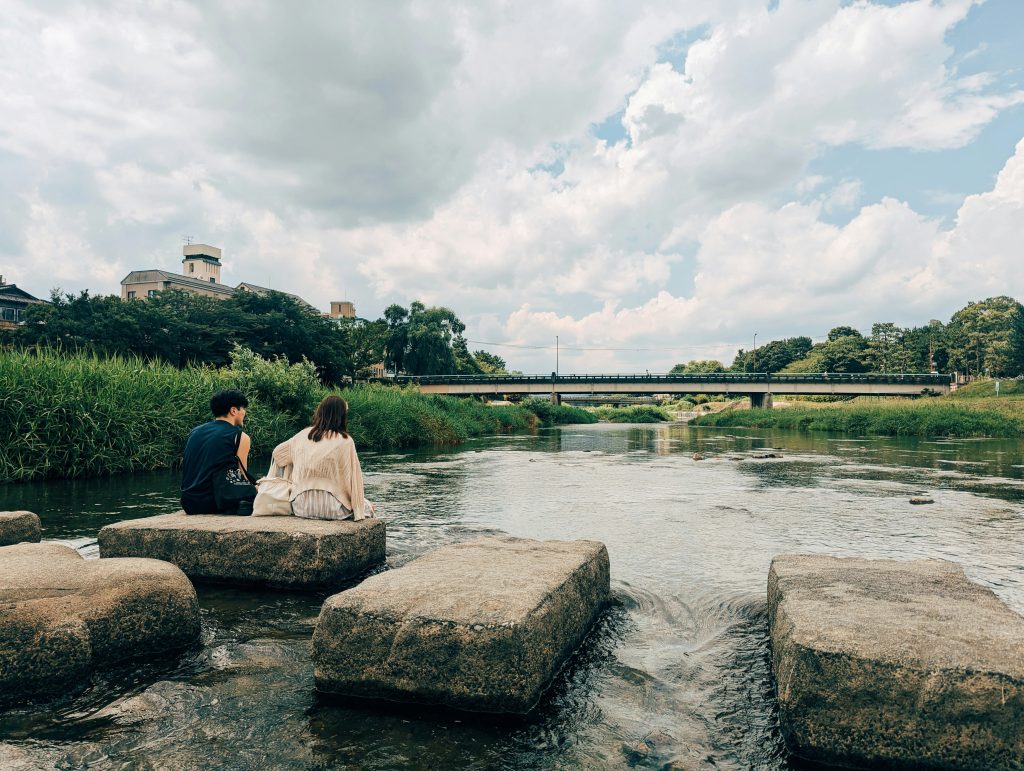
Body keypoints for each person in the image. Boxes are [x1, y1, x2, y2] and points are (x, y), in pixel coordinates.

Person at [271, 395, 376, 520]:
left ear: (320, 413)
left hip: (301, 506)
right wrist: (361, 508)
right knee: (370, 508)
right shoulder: (346, 441)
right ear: (341, 416)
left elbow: (277, 454)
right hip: (333, 508)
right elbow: (354, 479)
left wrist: (296, 469)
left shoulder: (302, 435)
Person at [180, 389, 255, 515]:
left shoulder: (195, 432)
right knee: (259, 491)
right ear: (233, 410)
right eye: (243, 409)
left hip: (188, 503)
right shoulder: (240, 436)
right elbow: (243, 476)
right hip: (215, 502)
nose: (244, 413)